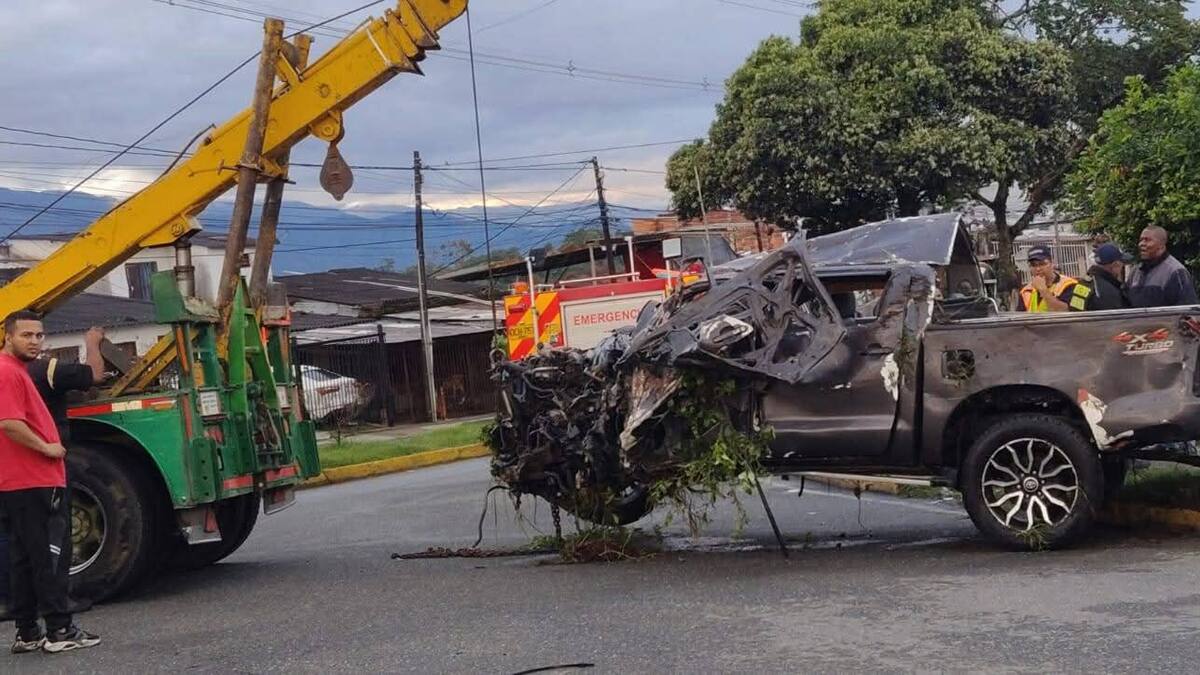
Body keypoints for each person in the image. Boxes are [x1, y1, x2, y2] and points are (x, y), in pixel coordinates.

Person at [0, 311, 100, 654]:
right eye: (26, 335)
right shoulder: (7, 371)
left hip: (20, 480)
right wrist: (47, 447)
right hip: (33, 476)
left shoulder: (17, 370)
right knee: (50, 557)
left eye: (39, 335)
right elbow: (9, 422)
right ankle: (60, 631)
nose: (34, 341)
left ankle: (27, 632)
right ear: (7, 336)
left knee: (25, 557)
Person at [1126, 225, 1199, 308]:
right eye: (1141, 240)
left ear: (1161, 245)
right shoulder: (1135, 272)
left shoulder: (1176, 272)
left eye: (1147, 240)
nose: (1141, 244)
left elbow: (1188, 310)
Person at [1017, 245, 1081, 312]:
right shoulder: (1026, 291)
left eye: (1042, 264)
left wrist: (1043, 290)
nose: (1038, 269)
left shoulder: (1069, 285)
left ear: (1052, 263)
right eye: (1033, 265)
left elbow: (1065, 312)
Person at [1075, 243, 1133, 311]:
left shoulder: (1085, 281)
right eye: (1122, 265)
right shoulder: (1108, 292)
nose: (1121, 269)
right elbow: (1118, 320)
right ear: (1115, 265)